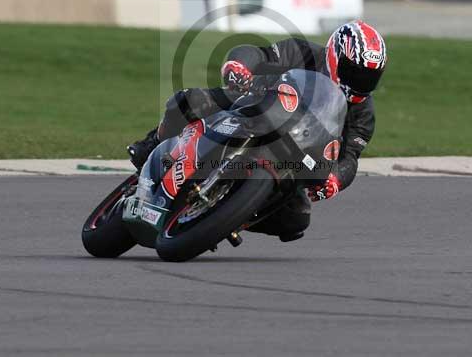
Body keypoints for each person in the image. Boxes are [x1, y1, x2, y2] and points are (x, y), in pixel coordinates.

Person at [127, 20, 387, 242]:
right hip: (254, 106)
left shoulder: (364, 112)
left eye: (367, 77)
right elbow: (259, 54)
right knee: (191, 101)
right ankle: (151, 145)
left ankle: (229, 217)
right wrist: (239, 66)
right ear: (335, 55)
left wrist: (336, 180)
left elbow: (351, 155)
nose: (359, 82)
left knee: (296, 221)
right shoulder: (304, 52)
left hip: (295, 154)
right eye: (353, 72)